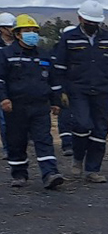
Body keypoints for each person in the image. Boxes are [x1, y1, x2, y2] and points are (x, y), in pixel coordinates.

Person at [50, 0, 108, 183]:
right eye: (89, 22)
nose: (92, 25)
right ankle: (78, 159)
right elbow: (58, 66)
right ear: (80, 18)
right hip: (78, 90)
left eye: (95, 22)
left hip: (102, 90)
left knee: (100, 129)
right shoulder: (69, 38)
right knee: (82, 125)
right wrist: (60, 91)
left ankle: (93, 169)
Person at [0, 14, 65, 189]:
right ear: (18, 34)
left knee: (44, 139)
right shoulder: (6, 55)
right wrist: (4, 99)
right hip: (16, 106)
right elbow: (1, 80)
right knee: (17, 141)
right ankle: (19, 174)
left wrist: (56, 101)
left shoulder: (44, 56)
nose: (32, 34)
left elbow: (53, 81)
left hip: (40, 106)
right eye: (27, 30)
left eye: (34, 31)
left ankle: (50, 173)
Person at [56, 26, 76, 156]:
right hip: (64, 87)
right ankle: (67, 143)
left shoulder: (82, 50)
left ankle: (78, 143)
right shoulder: (57, 50)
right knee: (65, 116)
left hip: (80, 87)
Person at [0, 12, 16, 158]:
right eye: (8, 27)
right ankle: (7, 147)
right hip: (1, 85)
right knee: (4, 120)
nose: (11, 30)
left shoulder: (21, 44)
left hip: (18, 84)